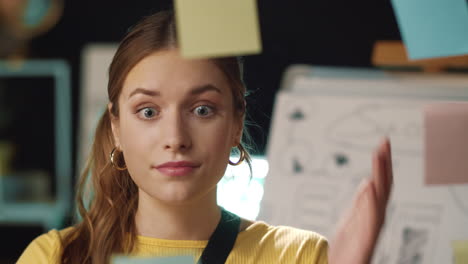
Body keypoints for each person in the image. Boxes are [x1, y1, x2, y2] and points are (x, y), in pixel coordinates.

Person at [17, 10, 393, 264]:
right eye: (148, 112)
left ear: (235, 123)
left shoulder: (296, 255)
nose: (176, 138)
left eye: (202, 110)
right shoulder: (55, 256)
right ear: (116, 127)